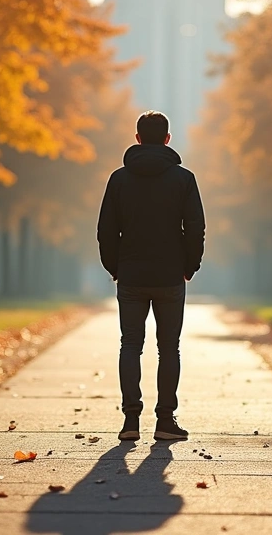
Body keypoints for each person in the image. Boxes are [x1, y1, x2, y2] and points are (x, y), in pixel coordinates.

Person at [97, 111, 205, 442]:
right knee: (168, 347)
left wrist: (115, 267)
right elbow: (195, 229)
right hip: (170, 275)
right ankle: (165, 421)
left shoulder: (118, 179)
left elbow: (105, 231)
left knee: (130, 344)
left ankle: (130, 421)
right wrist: (190, 266)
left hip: (130, 275)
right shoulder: (183, 179)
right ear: (168, 139)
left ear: (138, 138)